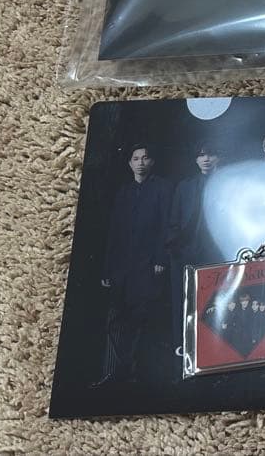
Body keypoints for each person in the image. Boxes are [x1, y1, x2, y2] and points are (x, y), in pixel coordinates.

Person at [94, 144, 172, 386]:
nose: (140, 162)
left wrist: (160, 258)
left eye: (145, 158)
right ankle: (115, 372)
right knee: (118, 320)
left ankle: (136, 374)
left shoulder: (162, 188)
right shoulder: (124, 192)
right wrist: (108, 268)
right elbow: (114, 231)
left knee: (143, 320)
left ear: (152, 162)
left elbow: (166, 225)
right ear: (129, 163)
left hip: (148, 266)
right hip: (122, 269)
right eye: (136, 158)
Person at [166, 140, 221, 352]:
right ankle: (183, 345)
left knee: (214, 301)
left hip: (215, 253)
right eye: (201, 155)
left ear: (219, 157)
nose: (206, 159)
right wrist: (175, 247)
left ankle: (213, 347)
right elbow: (174, 220)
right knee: (185, 300)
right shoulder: (185, 186)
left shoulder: (227, 183)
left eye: (210, 154)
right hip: (186, 252)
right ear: (196, 160)